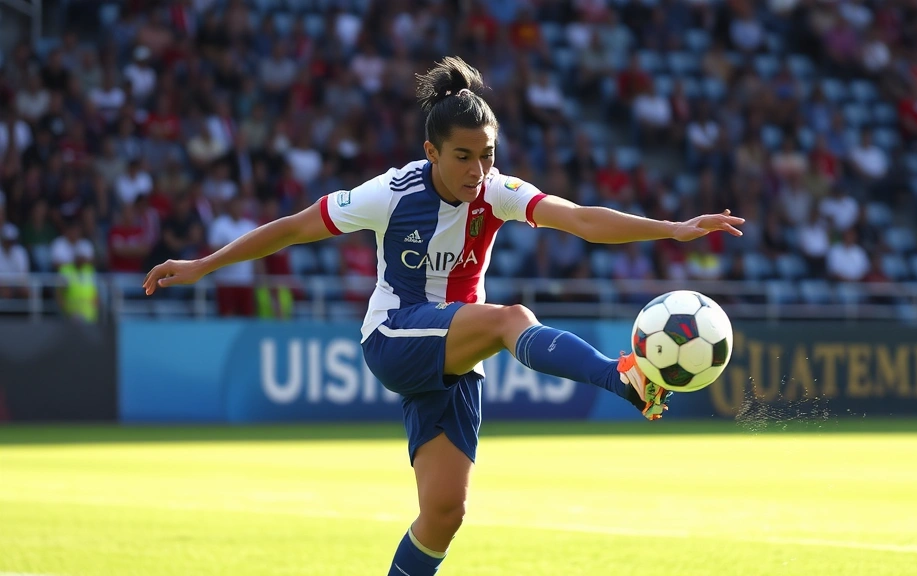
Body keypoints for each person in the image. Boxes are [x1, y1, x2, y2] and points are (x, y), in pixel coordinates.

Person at [142, 57, 744, 576]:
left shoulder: (496, 191)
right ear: (431, 151)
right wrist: (203, 264)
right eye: (463, 156)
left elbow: (580, 217)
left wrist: (670, 228)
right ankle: (623, 378)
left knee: (443, 514)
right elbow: (295, 227)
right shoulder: (391, 194)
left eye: (486, 155)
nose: (477, 171)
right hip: (395, 336)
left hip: (454, 353)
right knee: (511, 318)